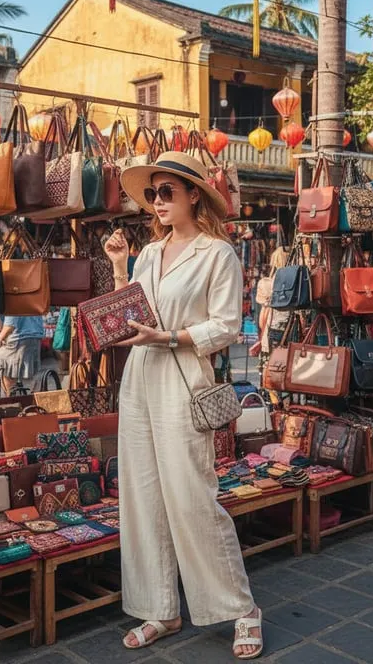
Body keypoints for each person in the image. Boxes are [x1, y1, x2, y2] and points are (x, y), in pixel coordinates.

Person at [104, 151, 261, 659]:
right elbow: (130, 312)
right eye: (152, 194)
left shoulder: (218, 254)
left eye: (167, 191)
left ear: (195, 194)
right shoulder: (149, 253)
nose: (157, 202)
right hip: (140, 382)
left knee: (193, 497)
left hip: (183, 379)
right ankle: (161, 608)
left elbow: (227, 326)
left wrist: (170, 336)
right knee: (142, 497)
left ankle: (241, 608)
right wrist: (118, 265)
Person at [0, 315, 45, 395]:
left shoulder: (12, 302)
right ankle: (30, 399)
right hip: (35, 336)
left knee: (3, 365)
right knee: (29, 375)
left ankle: (12, 399)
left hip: (19, 337)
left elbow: (10, 325)